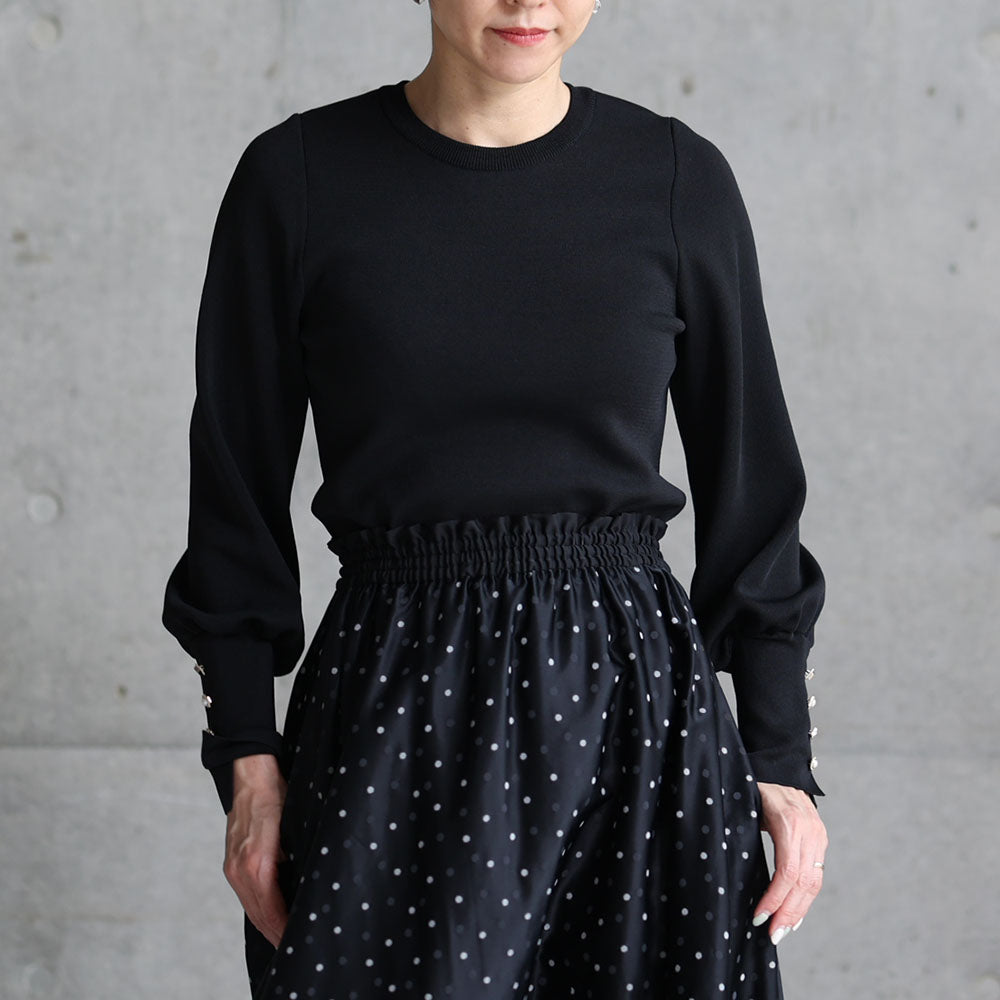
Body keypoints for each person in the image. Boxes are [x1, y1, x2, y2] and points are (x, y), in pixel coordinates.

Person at [162, 0, 829, 996]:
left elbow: (754, 487)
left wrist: (777, 754)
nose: (529, 1)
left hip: (637, 713)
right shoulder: (296, 180)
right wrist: (247, 757)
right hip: (394, 709)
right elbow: (233, 494)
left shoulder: (676, 178)